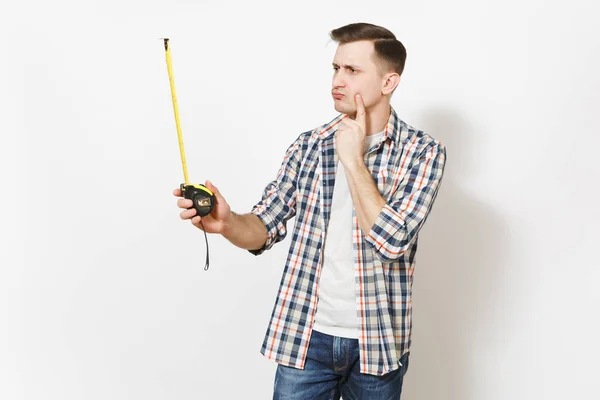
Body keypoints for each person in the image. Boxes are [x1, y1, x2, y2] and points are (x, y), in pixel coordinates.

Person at [174, 22, 447, 400]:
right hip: (306, 337)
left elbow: (392, 241)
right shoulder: (310, 146)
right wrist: (227, 222)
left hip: (379, 343)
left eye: (352, 70)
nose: (338, 79)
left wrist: (352, 160)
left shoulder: (423, 152)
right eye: (336, 68)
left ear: (388, 82)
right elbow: (263, 226)